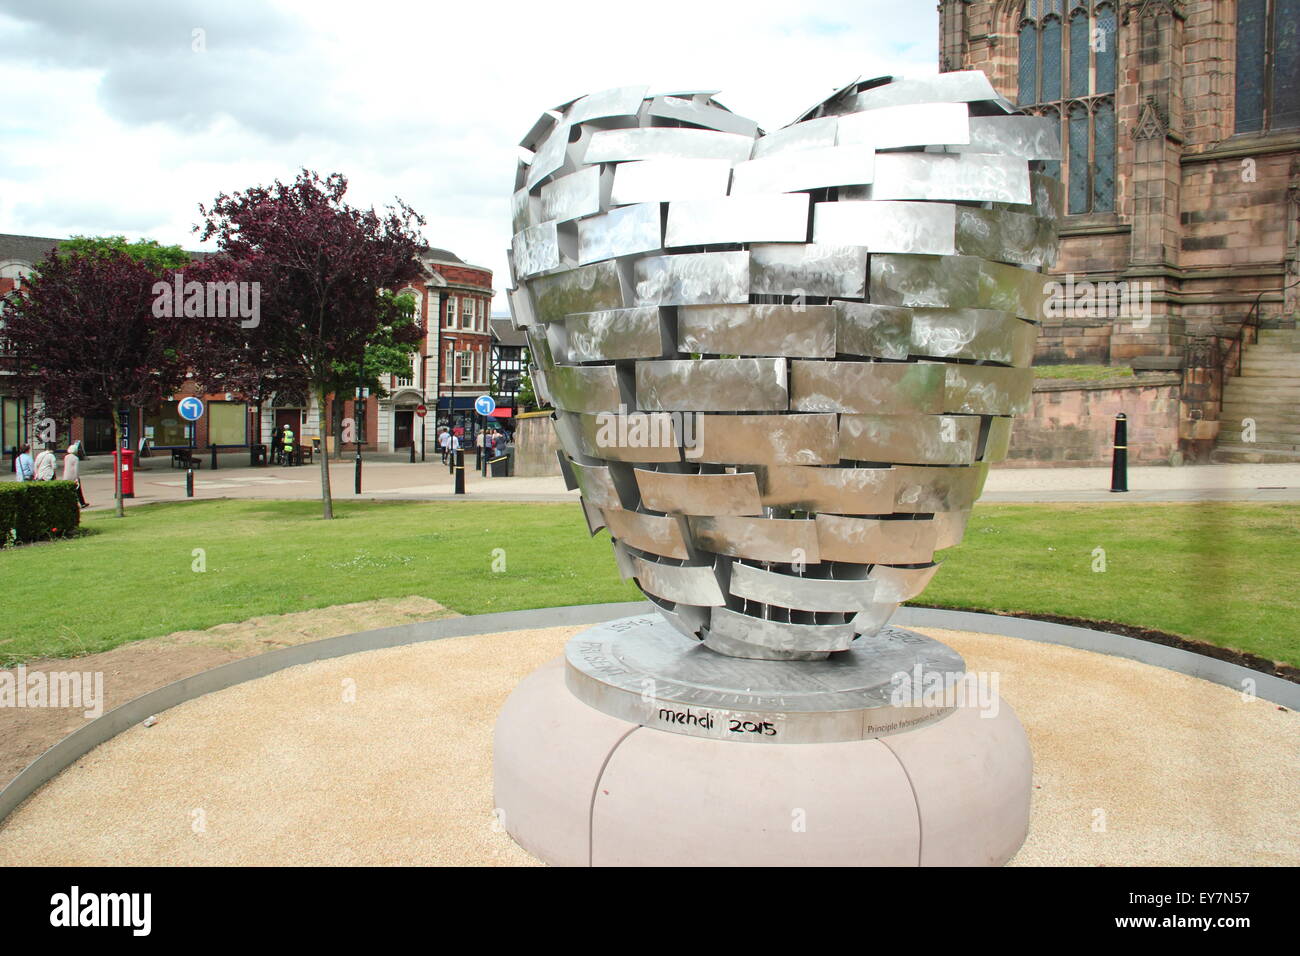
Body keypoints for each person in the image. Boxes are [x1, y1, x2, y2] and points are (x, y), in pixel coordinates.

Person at [64, 441, 89, 507]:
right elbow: (76, 469)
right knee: (78, 490)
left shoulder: (66, 457)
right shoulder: (75, 458)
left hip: (66, 475)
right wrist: (76, 477)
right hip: (73, 476)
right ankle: (82, 503)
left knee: (68, 490)